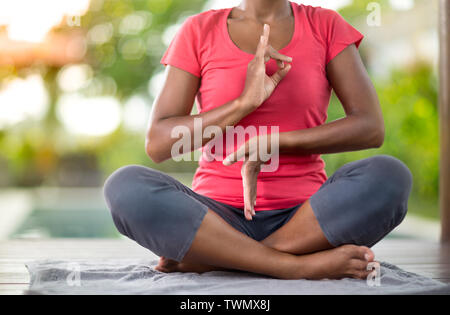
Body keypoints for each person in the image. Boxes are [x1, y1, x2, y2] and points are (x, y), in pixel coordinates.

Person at [104, 0, 412, 280]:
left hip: (307, 218)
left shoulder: (326, 25)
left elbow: (370, 127)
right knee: (125, 187)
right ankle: (295, 265)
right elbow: (159, 143)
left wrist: (275, 142)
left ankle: (220, 259)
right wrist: (243, 103)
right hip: (215, 220)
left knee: (390, 177)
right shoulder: (198, 30)